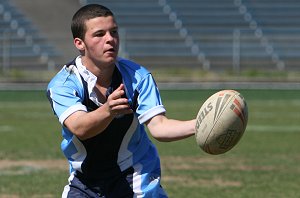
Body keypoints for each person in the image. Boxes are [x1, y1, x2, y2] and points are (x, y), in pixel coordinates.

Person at [47, 4, 196, 198]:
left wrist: (202, 125)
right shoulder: (63, 83)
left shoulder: (137, 76)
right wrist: (108, 110)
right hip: (85, 182)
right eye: (99, 34)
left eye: (114, 32)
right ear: (79, 43)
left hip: (135, 174)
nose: (110, 39)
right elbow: (79, 128)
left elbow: (160, 127)